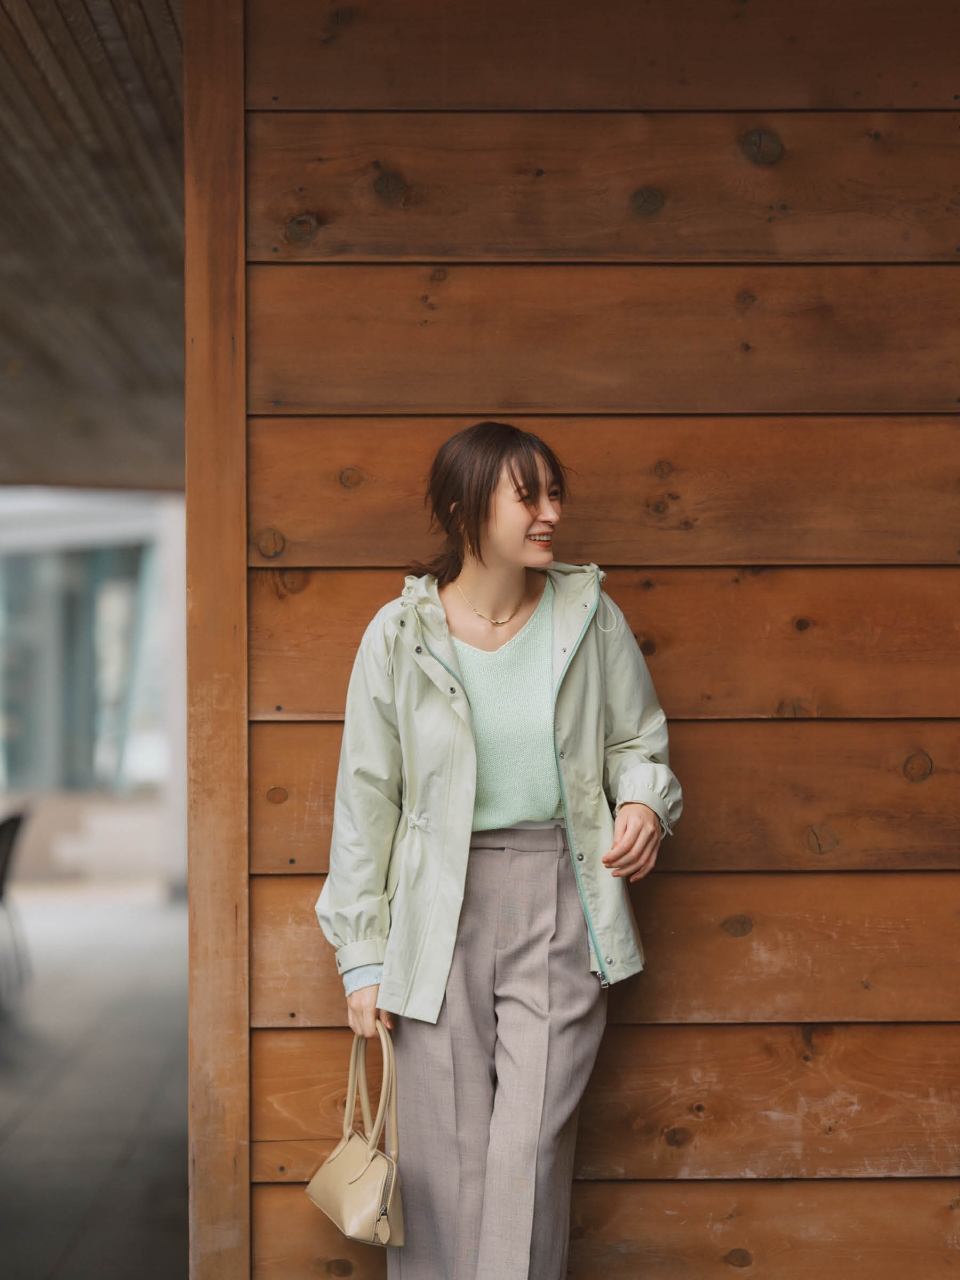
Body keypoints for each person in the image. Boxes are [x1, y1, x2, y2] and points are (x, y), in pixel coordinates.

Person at [315, 420, 683, 1280]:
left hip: (560, 896)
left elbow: (638, 741)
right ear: (463, 509)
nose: (551, 512)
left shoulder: (589, 618)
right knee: (443, 1163)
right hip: (433, 912)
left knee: (527, 1153)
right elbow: (366, 803)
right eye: (529, 496)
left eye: (556, 494)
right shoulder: (398, 634)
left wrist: (642, 801)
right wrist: (362, 960)